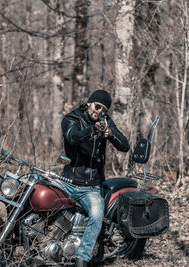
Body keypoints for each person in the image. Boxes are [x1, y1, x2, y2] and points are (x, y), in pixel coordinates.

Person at [58, 90, 130, 267]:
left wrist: (110, 134)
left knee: (97, 215)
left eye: (103, 109)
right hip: (67, 182)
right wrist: (93, 129)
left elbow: (125, 146)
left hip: (90, 186)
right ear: (89, 103)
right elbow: (73, 137)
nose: (98, 111)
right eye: (97, 106)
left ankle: (82, 258)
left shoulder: (104, 121)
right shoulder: (72, 118)